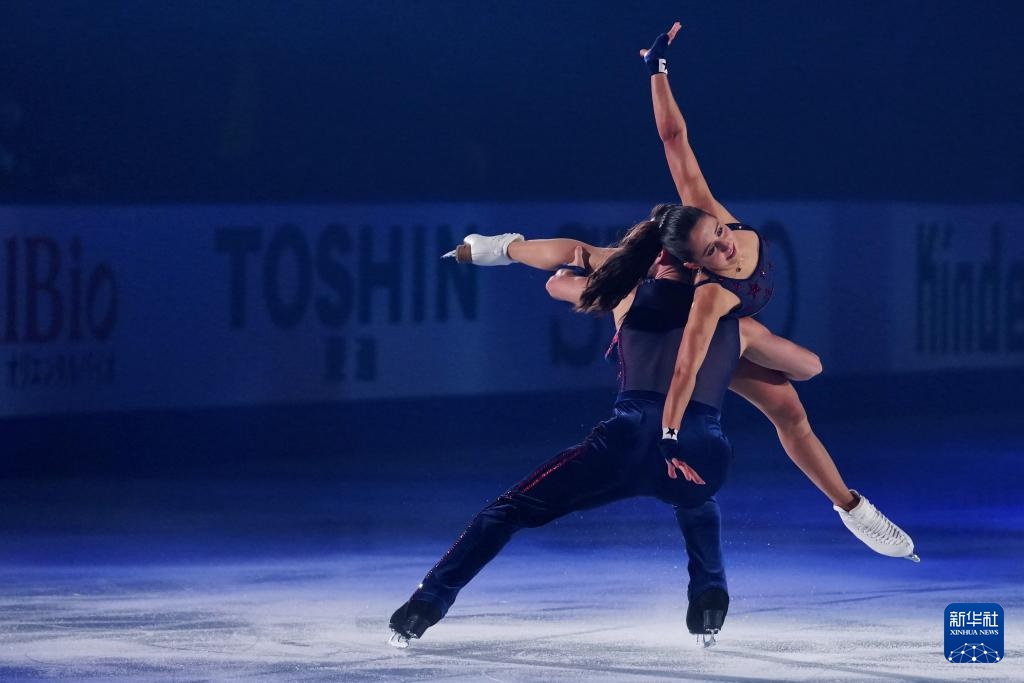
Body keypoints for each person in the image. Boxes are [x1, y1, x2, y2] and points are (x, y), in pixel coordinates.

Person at [444, 21, 917, 568]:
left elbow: (675, 140)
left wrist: (657, 70)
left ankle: (851, 508)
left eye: (717, 233)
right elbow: (689, 363)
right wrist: (670, 431)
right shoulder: (709, 296)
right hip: (690, 328)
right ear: (693, 266)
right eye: (712, 250)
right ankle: (501, 248)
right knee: (583, 266)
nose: (725, 244)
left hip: (712, 323)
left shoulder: (715, 219)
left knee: (803, 380)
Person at [391, 217, 821, 649]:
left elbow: (557, 285)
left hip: (628, 437)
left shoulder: (626, 295)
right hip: (703, 447)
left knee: (507, 512)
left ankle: (426, 604)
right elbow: (808, 366)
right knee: (695, 498)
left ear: (657, 260)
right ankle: (709, 596)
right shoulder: (736, 323)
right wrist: (740, 361)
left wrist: (579, 269)